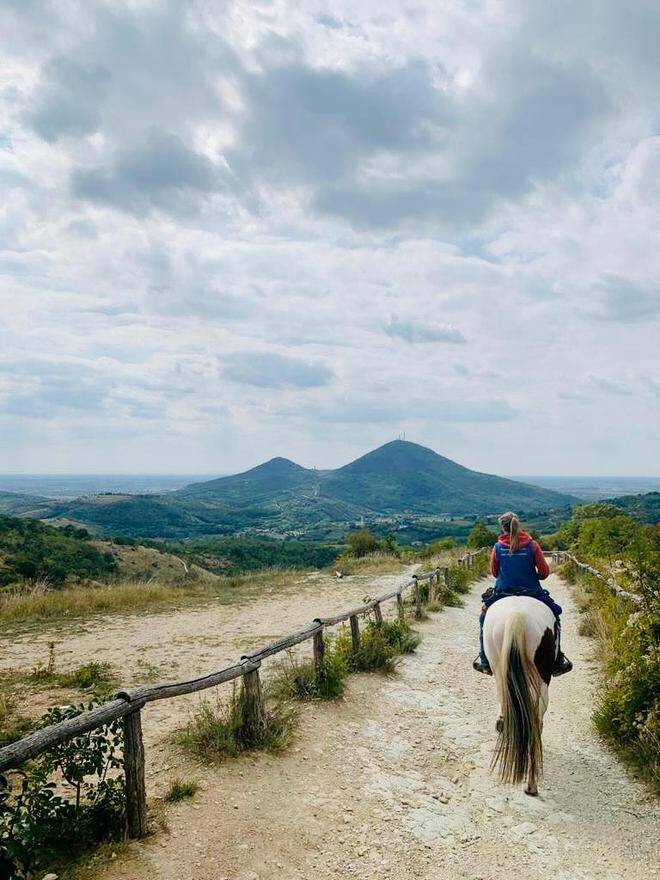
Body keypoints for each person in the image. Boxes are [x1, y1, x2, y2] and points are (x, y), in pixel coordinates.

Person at [472, 511, 573, 676]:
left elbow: (495, 573)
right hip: (531, 591)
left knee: (483, 618)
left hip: (503, 592)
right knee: (555, 616)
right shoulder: (532, 545)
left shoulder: (497, 547)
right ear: (518, 525)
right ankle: (558, 660)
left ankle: (484, 660)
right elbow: (544, 573)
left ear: (502, 528)